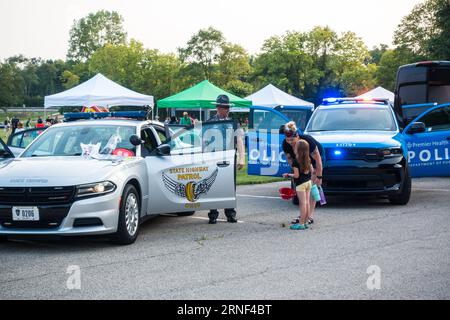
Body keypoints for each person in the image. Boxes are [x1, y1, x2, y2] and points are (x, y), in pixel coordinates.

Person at [206, 94, 245, 224]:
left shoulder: (233, 123)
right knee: (213, 185)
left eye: (227, 107)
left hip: (229, 159)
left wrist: (241, 158)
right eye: (224, 107)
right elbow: (204, 142)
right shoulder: (210, 122)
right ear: (218, 108)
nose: (227, 109)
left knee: (230, 186)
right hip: (213, 158)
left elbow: (239, 140)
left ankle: (230, 214)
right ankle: (213, 214)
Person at [282, 121, 323, 225]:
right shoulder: (285, 144)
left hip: (314, 161)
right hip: (300, 164)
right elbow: (290, 161)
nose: (290, 142)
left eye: (292, 139)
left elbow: (317, 160)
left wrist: (319, 176)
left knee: (312, 186)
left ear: (297, 136)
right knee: (303, 189)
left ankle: (309, 217)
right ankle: (303, 216)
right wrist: (296, 174)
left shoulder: (307, 141)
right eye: (288, 140)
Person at [283, 139, 313, 230]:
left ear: (298, 150)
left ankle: (301, 223)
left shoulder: (296, 162)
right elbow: (312, 170)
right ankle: (306, 222)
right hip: (308, 182)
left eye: (295, 147)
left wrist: (288, 175)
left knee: (302, 203)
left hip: (301, 184)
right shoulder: (308, 159)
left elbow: (296, 175)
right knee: (307, 202)